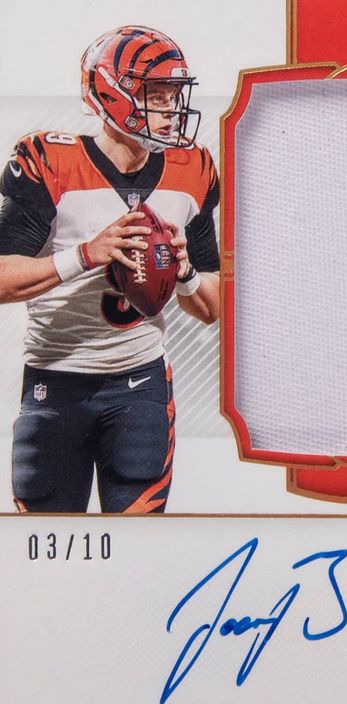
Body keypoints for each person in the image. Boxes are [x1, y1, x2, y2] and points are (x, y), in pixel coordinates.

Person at [0, 26, 220, 513]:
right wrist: (84, 255)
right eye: (156, 95)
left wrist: (185, 272)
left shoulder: (193, 169)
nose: (170, 109)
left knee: (139, 544)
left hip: (140, 384)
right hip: (55, 380)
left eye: (174, 95)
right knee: (50, 542)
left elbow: (212, 307)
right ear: (111, 94)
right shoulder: (49, 161)